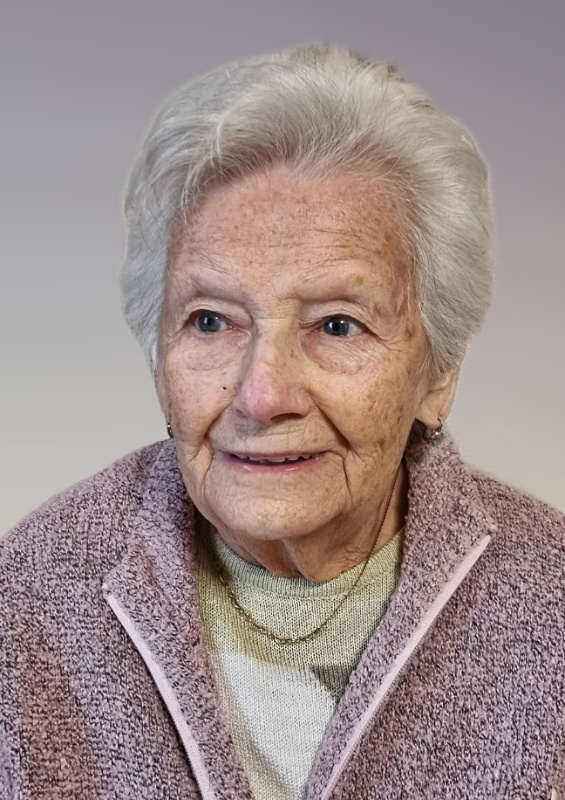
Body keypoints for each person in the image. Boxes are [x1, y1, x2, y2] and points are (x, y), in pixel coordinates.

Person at [0, 43, 563, 800]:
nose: (262, 395)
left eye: (336, 325)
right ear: (158, 353)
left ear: (438, 374)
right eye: (210, 320)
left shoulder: (550, 603)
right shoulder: (26, 603)